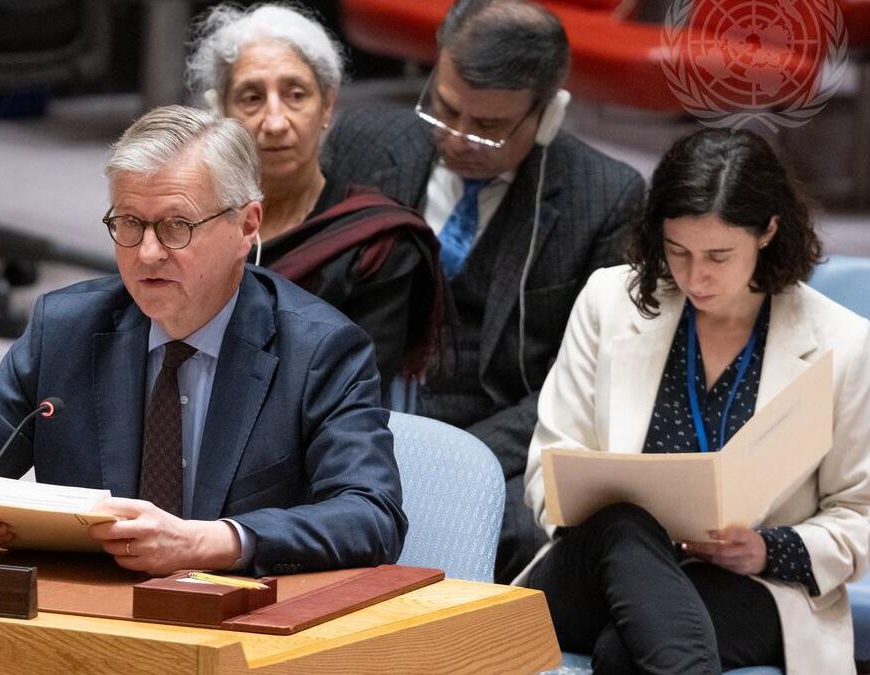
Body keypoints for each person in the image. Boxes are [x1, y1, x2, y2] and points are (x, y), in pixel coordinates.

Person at [0, 105, 407, 578]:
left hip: (241, 631)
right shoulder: (67, 328)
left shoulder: (320, 350)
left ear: (248, 224)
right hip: (86, 623)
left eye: (177, 226)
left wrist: (213, 541)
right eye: (129, 224)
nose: (148, 253)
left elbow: (370, 515)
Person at [519, 128, 870, 673]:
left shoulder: (843, 344)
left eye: (718, 255)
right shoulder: (610, 302)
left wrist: (765, 548)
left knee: (625, 652)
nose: (694, 276)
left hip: (749, 580)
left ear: (769, 232)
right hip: (598, 565)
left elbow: (859, 512)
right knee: (626, 526)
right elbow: (549, 463)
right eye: (677, 250)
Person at [322, 0, 645, 582]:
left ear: (547, 117)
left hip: (496, 438)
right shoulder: (364, 144)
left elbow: (583, 382)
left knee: (512, 528)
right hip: (357, 421)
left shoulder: (605, 198)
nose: (460, 138)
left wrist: (453, 465)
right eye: (445, 109)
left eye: (489, 128)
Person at [186, 3, 445, 393]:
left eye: (295, 95)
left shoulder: (375, 245)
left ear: (327, 105)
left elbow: (355, 393)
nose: (275, 122)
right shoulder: (190, 223)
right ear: (221, 111)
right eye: (252, 98)